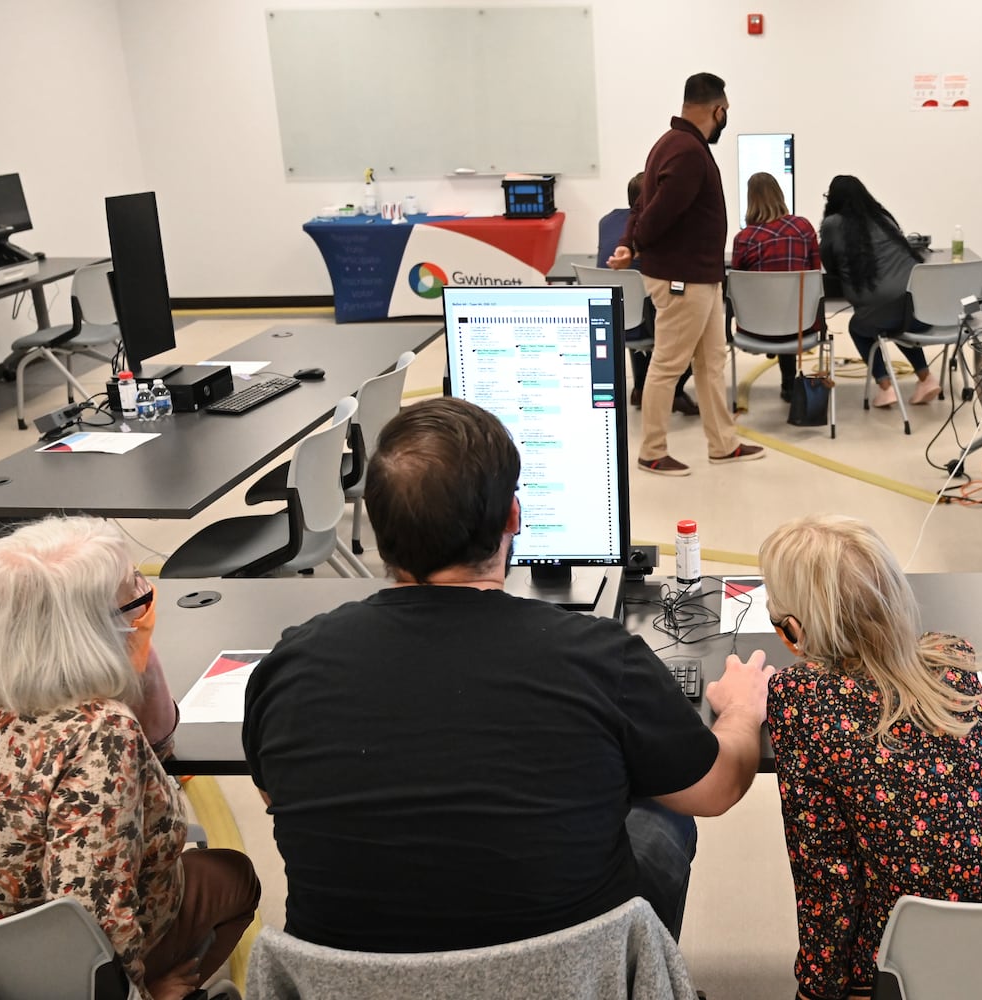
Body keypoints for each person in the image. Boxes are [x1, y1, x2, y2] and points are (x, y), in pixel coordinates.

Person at [243, 397, 775, 951]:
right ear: (513, 518)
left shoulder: (288, 669)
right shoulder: (597, 656)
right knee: (664, 818)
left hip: (349, 990)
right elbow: (714, 790)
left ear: (377, 527)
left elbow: (273, 794)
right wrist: (739, 713)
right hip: (570, 986)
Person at [761, 514, 982, 1000]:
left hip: (917, 959)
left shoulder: (799, 700)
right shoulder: (955, 658)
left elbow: (827, 873)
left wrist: (817, 989)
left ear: (795, 633)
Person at [0, 517, 260, 1000]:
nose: (144, 595)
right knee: (234, 877)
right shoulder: (99, 732)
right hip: (49, 973)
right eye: (131, 594)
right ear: (87, 631)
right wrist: (141, 993)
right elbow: (93, 914)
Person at [609, 72, 764, 476]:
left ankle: (722, 444)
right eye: (725, 112)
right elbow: (659, 210)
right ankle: (652, 452)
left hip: (702, 277)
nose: (724, 119)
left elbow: (643, 199)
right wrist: (637, 242)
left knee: (712, 361)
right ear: (718, 109)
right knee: (667, 364)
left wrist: (628, 241)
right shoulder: (688, 150)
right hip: (683, 279)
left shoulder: (673, 143)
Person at [819, 175, 940, 409]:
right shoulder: (884, 218)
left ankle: (886, 387)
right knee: (897, 322)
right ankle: (926, 378)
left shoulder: (833, 224)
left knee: (859, 328)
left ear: (833, 200)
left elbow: (828, 261)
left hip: (881, 310)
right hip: (918, 308)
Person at [597, 171, 696, 415]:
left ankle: (640, 387)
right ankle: (673, 392)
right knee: (695, 325)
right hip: (646, 321)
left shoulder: (607, 221)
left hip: (613, 321)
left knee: (639, 303)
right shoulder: (656, 229)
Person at [731, 171, 821, 403]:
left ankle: (787, 379)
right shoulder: (803, 227)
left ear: (750, 200)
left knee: (774, 305)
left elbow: (737, 285)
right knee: (790, 306)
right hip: (802, 326)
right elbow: (815, 274)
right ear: (780, 195)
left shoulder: (744, 238)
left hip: (756, 327)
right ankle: (789, 386)